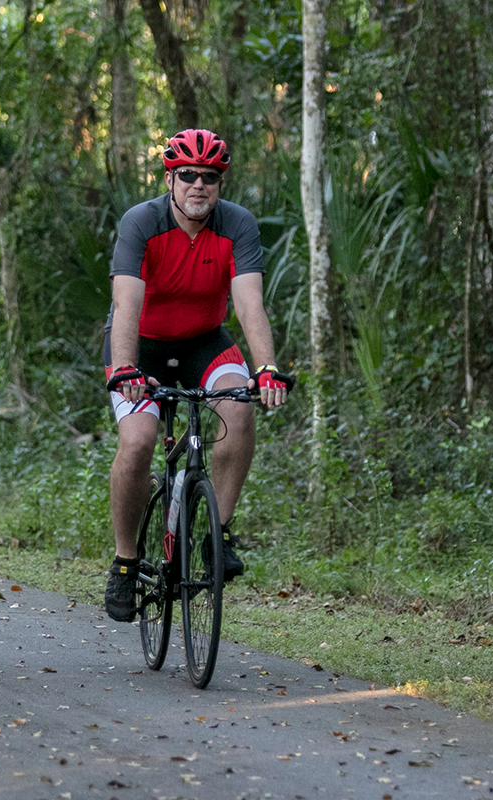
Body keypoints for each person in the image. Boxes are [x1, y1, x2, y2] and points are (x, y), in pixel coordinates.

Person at [102, 129, 293, 622]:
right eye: (187, 175)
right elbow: (126, 303)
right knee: (140, 442)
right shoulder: (141, 222)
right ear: (170, 178)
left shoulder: (238, 225)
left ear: (220, 183)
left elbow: (250, 303)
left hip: (204, 341)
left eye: (210, 177)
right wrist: (124, 368)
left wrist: (267, 367)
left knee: (239, 409)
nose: (199, 186)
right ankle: (125, 562)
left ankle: (219, 533)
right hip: (140, 347)